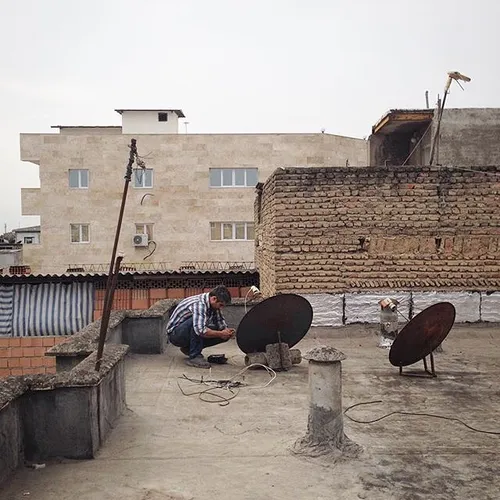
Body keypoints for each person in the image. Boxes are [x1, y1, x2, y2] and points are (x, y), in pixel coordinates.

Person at [166, 285, 235, 368]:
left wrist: (226, 331)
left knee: (221, 333)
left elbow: (220, 322)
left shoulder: (213, 305)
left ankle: (189, 349)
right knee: (197, 323)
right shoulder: (199, 304)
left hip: (188, 331)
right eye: (221, 305)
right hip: (175, 335)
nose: (221, 308)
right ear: (214, 299)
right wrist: (221, 333)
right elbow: (200, 330)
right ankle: (194, 356)